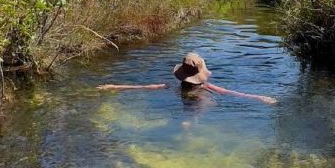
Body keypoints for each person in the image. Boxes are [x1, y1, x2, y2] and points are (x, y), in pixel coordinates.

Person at [97, 51, 277, 104]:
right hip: (200, 102)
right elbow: (231, 92)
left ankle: (187, 124)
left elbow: (144, 87)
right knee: (205, 105)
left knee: (194, 113)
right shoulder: (206, 87)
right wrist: (260, 97)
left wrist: (114, 86)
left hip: (184, 102)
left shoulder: (170, 86)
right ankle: (188, 124)